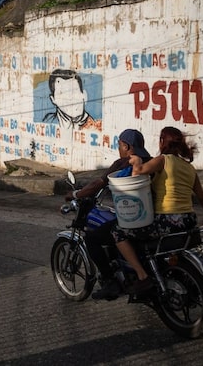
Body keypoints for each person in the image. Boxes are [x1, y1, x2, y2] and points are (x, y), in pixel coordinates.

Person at [114, 126, 203, 295]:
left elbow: (138, 174)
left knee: (118, 232)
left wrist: (136, 161)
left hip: (167, 221)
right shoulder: (189, 168)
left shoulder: (163, 160)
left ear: (162, 142)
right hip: (188, 221)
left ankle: (142, 276)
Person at [65, 129, 152, 301]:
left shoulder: (122, 163)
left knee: (91, 238)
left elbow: (97, 184)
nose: (118, 148)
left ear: (126, 146)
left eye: (119, 145)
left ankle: (110, 281)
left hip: (131, 217)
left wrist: (76, 195)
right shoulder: (150, 161)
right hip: (149, 216)